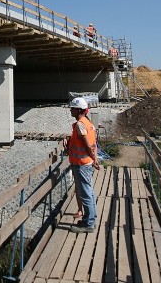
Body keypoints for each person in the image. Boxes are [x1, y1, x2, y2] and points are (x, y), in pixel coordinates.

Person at [63, 97, 99, 233]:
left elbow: (85, 142)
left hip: (82, 164)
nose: (71, 110)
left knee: (85, 194)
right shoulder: (88, 123)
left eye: (72, 108)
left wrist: (93, 158)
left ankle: (88, 224)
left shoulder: (80, 125)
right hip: (86, 163)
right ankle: (90, 219)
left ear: (78, 110)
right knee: (88, 192)